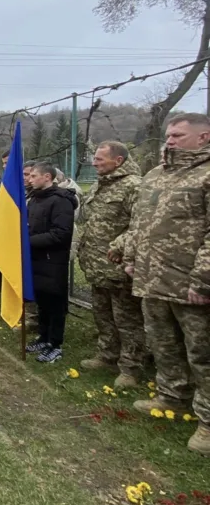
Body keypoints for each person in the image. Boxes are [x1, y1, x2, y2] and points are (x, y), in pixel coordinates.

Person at [125, 114, 210, 453]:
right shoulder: (155, 176)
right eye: (169, 134)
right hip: (152, 277)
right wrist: (131, 256)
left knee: (202, 353)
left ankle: (206, 422)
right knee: (163, 343)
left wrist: (203, 279)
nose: (170, 140)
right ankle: (172, 396)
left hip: (190, 282)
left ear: (204, 137)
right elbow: (139, 222)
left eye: (178, 135)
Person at [76, 141, 146, 388]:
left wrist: (121, 249)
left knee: (127, 320)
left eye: (100, 159)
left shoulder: (134, 187)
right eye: (94, 158)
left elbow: (140, 226)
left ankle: (130, 368)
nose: (94, 163)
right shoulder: (101, 184)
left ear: (118, 161)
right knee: (103, 315)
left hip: (119, 267)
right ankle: (107, 356)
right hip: (96, 265)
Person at [25, 161, 77, 362]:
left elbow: (61, 234)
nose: (29, 179)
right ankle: (43, 337)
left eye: (33, 176)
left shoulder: (60, 201)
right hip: (36, 259)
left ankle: (55, 343)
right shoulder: (36, 199)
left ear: (47, 177)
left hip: (53, 261)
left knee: (55, 303)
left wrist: (27, 242)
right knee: (43, 301)